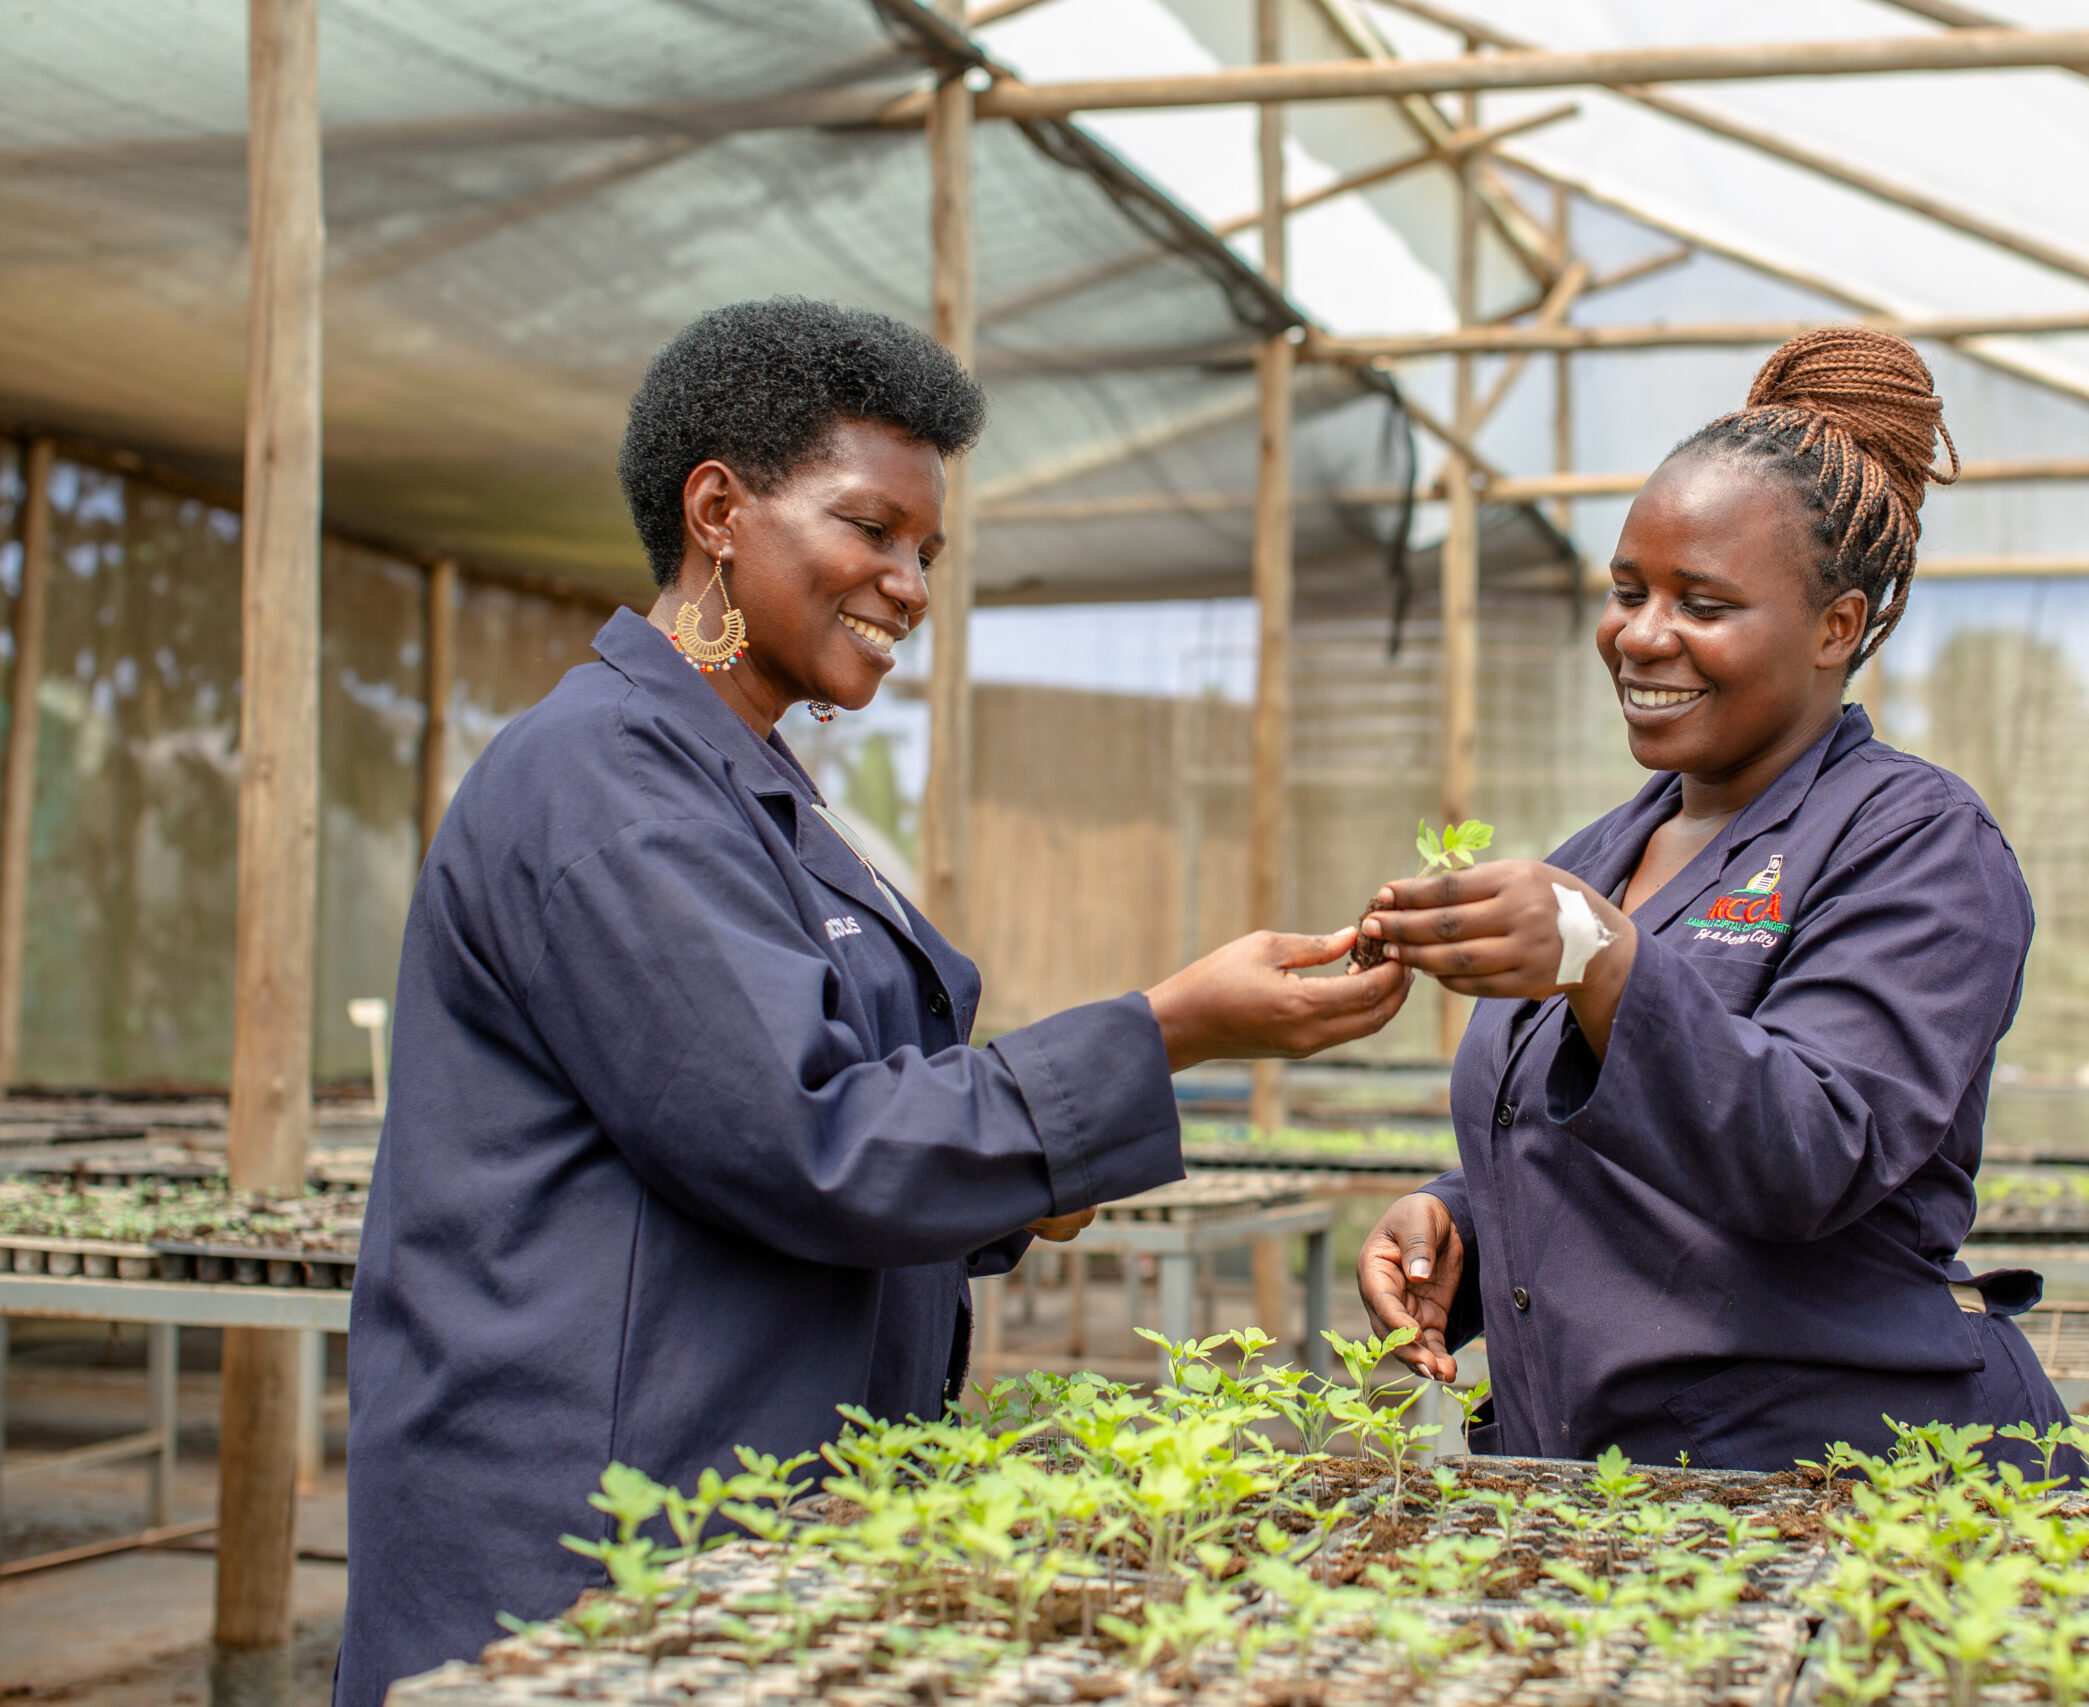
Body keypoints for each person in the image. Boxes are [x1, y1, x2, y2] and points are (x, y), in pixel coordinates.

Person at [336, 299, 1409, 1705]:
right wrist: (1169, 1031)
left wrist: (1024, 1187)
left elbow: (824, 1087)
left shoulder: (739, 780)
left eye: (927, 553)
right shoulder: (606, 784)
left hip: (734, 1495)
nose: (908, 585)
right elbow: (804, 1135)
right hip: (587, 1525)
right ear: (718, 511)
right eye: (871, 529)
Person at [1353, 327, 2066, 1472]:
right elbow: (1599, 1145)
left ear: (1836, 626)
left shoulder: (1917, 843)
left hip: (1840, 1483)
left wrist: (1603, 961)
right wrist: (1461, 1226)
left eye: (1704, 603)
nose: (1641, 635)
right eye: (1627, 591)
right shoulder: (1605, 851)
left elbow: (1817, 1151)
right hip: (1611, 1485)